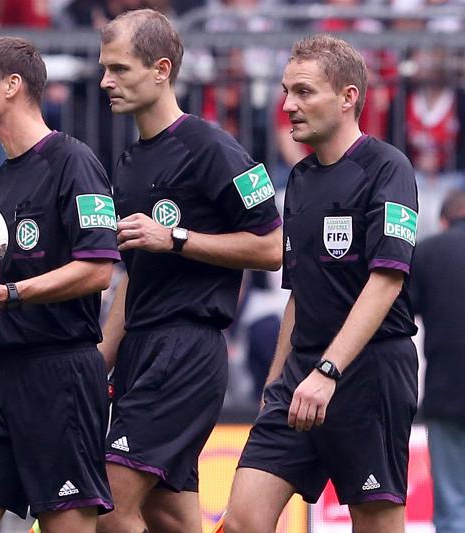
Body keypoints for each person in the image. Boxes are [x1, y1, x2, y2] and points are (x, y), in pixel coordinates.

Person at [96, 9, 283, 532]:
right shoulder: (130, 162)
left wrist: (176, 238)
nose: (105, 82)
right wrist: (101, 361)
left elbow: (273, 246)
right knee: (166, 516)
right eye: (104, 68)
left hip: (186, 352)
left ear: (160, 69)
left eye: (119, 69)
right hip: (139, 352)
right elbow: (134, 275)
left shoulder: (214, 149)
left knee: (108, 510)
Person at [224, 34, 419, 533]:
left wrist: (329, 370)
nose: (288, 105)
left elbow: (386, 281)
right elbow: (299, 294)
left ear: (349, 96)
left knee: (375, 524)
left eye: (304, 92)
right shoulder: (302, 179)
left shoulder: (388, 168)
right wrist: (275, 383)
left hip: (369, 371)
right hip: (301, 376)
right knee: (246, 518)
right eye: (287, 91)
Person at [0, 37, 118, 533]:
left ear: (12, 86)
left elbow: (99, 268)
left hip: (61, 371)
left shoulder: (74, 161)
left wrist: (8, 295)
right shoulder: (3, 179)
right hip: (4, 369)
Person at [410, 189, 465, 533]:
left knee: (451, 508)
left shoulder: (428, 252)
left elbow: (402, 313)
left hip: (445, 391)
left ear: (444, 220)